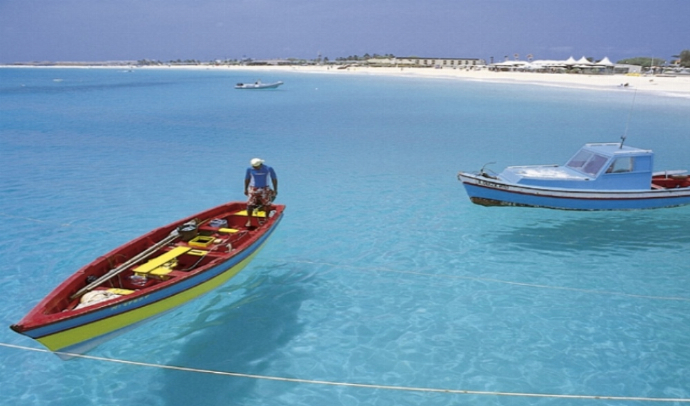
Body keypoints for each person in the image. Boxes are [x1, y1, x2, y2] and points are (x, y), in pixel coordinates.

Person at [244, 158, 278, 228]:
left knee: (267, 204)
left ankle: (266, 218)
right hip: (253, 188)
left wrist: (275, 189)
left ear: (260, 164)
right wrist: (245, 189)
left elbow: (274, 179)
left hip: (264, 188)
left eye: (256, 166)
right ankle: (249, 220)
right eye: (253, 166)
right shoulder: (249, 169)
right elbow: (247, 179)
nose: (254, 167)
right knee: (250, 205)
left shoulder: (268, 169)